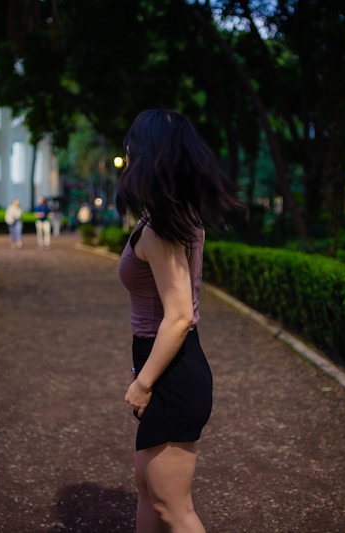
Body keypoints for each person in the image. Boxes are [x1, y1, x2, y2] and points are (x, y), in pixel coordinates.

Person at [116, 109, 246, 532]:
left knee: (174, 507)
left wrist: (143, 382)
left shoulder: (162, 228)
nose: (127, 150)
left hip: (173, 371)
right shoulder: (170, 217)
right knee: (149, 491)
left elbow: (179, 316)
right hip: (166, 365)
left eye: (133, 143)